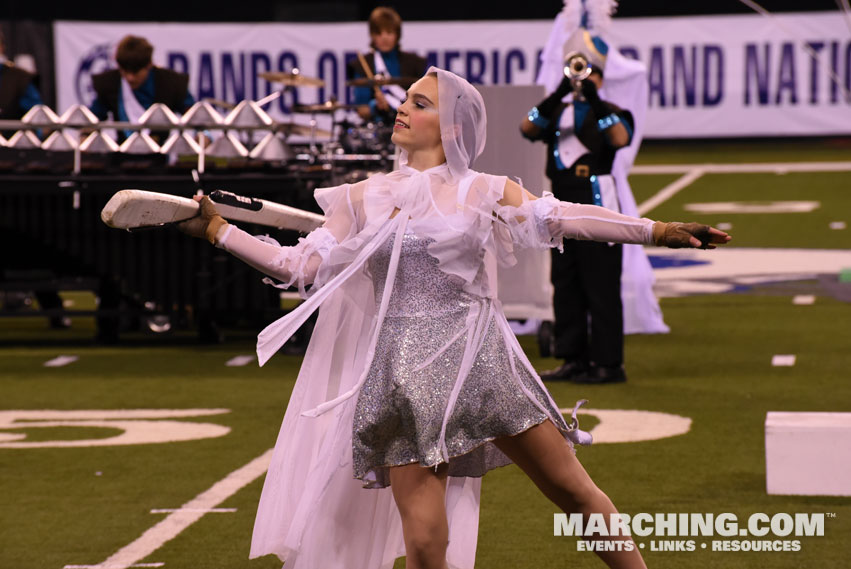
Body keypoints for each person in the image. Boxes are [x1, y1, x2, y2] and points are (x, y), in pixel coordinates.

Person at [178, 67, 729, 568]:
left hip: (481, 362)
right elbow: (296, 265)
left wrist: (656, 230)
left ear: (453, 128)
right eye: (407, 99)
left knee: (574, 491)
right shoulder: (364, 197)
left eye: (420, 103)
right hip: (400, 380)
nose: (403, 108)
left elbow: (564, 217)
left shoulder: (482, 190)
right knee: (423, 543)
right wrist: (219, 231)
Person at [522, 30, 637, 384]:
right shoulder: (556, 111)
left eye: (590, 72)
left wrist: (595, 99)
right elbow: (528, 127)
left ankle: (607, 362)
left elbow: (620, 139)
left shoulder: (615, 112)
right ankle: (573, 356)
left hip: (596, 196)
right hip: (561, 200)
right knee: (566, 281)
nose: (584, 77)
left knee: (600, 283)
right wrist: (559, 92)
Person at [89, 35, 194, 143]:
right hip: (121, 154)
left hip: (161, 155)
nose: (130, 78)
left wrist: (205, 135)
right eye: (125, 71)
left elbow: (193, 115)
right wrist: (85, 134)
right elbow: (93, 117)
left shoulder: (172, 82)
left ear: (149, 65)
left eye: (135, 72)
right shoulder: (109, 83)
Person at [346, 7, 427, 124]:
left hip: (409, 127)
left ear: (397, 34)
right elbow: (362, 110)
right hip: (375, 128)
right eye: (379, 33)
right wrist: (374, 106)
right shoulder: (362, 65)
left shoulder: (415, 63)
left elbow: (424, 103)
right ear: (372, 36)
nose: (384, 37)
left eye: (389, 32)